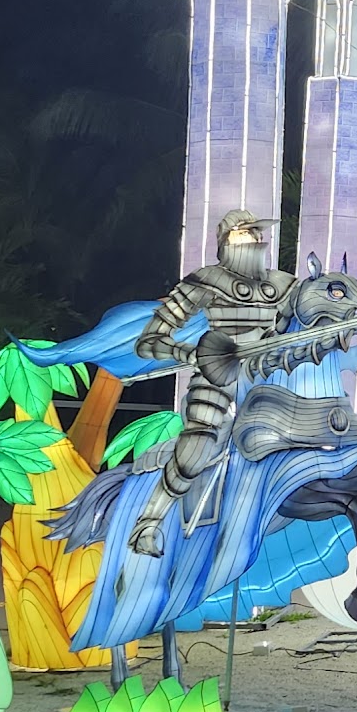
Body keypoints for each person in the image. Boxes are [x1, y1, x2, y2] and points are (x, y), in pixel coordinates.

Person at [126, 210, 295, 555]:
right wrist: (188, 353)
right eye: (242, 234)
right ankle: (149, 523)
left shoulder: (284, 284)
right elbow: (150, 340)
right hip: (218, 375)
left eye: (255, 233)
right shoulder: (206, 280)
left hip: (268, 374)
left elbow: (299, 321)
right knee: (196, 447)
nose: (252, 240)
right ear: (225, 242)